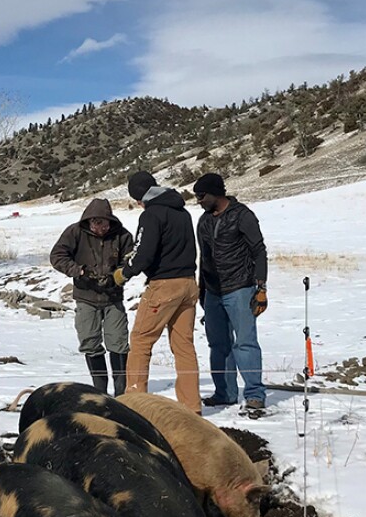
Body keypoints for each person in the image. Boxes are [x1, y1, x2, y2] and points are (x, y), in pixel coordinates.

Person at [112, 170, 201, 413]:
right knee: (184, 346)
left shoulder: (152, 214)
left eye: (136, 200)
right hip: (189, 284)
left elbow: (143, 253)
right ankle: (192, 407)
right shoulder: (181, 211)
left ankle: (135, 404)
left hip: (164, 285)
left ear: (140, 196)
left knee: (141, 341)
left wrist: (124, 273)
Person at [193, 171, 268, 417]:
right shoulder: (203, 221)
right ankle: (224, 393)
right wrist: (201, 291)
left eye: (201, 195)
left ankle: (255, 395)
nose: (199, 200)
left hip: (240, 287)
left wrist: (261, 287)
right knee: (218, 344)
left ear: (216, 193)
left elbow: (258, 250)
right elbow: (203, 257)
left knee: (245, 342)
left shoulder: (242, 216)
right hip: (213, 291)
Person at [50, 198, 134, 395]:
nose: (100, 228)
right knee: (89, 341)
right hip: (85, 296)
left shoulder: (122, 235)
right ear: (88, 221)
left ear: (110, 221)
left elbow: (130, 260)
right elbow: (57, 256)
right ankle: (100, 391)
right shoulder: (74, 232)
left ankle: (121, 392)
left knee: (119, 342)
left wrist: (118, 276)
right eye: (96, 223)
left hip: (113, 297)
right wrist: (79, 271)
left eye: (104, 223)